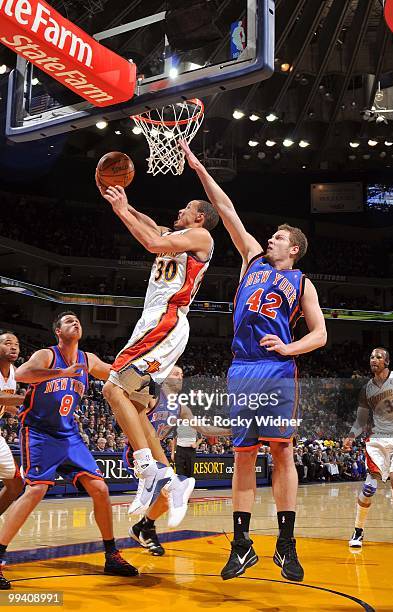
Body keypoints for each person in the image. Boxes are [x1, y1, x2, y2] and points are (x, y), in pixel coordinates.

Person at [181, 140, 327, 582]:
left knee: (281, 450)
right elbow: (226, 210)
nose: (270, 239)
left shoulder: (301, 282)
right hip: (241, 367)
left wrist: (289, 348)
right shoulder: (251, 259)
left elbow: (320, 334)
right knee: (243, 455)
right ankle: (241, 544)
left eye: (279, 237)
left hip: (276, 369)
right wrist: (199, 166)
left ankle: (286, 543)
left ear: (294, 248)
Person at [97, 182, 219, 517]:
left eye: (185, 208)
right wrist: (124, 204)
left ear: (199, 216)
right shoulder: (177, 236)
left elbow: (152, 241)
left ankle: (149, 470)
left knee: (112, 387)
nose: (179, 211)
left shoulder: (201, 237)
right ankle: (168, 477)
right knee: (135, 404)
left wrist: (122, 212)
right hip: (155, 321)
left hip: (165, 319)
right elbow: (149, 225)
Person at [0, 312, 137, 590]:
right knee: (35, 490)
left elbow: (116, 374)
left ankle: (111, 554)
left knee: (100, 488)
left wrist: (146, 373)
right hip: (39, 432)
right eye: (68, 321)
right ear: (58, 332)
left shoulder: (88, 360)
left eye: (77, 320)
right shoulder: (47, 355)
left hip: (69, 435)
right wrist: (61, 373)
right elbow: (23, 374)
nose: (75, 322)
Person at [124, 364, 230, 555]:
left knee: (165, 499)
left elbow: (203, 428)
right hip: (138, 451)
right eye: (175, 373)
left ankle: (143, 528)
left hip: (157, 451)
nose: (180, 376)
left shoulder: (181, 407)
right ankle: (145, 529)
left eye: (182, 374)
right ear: (165, 376)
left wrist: (230, 431)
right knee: (166, 492)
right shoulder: (153, 395)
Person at [344, 347, 393, 548]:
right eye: (371, 356)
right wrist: (351, 436)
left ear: (387, 362)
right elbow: (361, 420)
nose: (374, 359)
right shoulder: (366, 390)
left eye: (379, 357)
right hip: (378, 439)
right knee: (369, 487)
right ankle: (358, 531)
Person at [0, 332, 25, 515]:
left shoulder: (14, 373)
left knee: (15, 484)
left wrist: (20, 412)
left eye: (16, 343)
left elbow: (5, 402)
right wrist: (28, 399)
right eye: (8, 343)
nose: (13, 347)